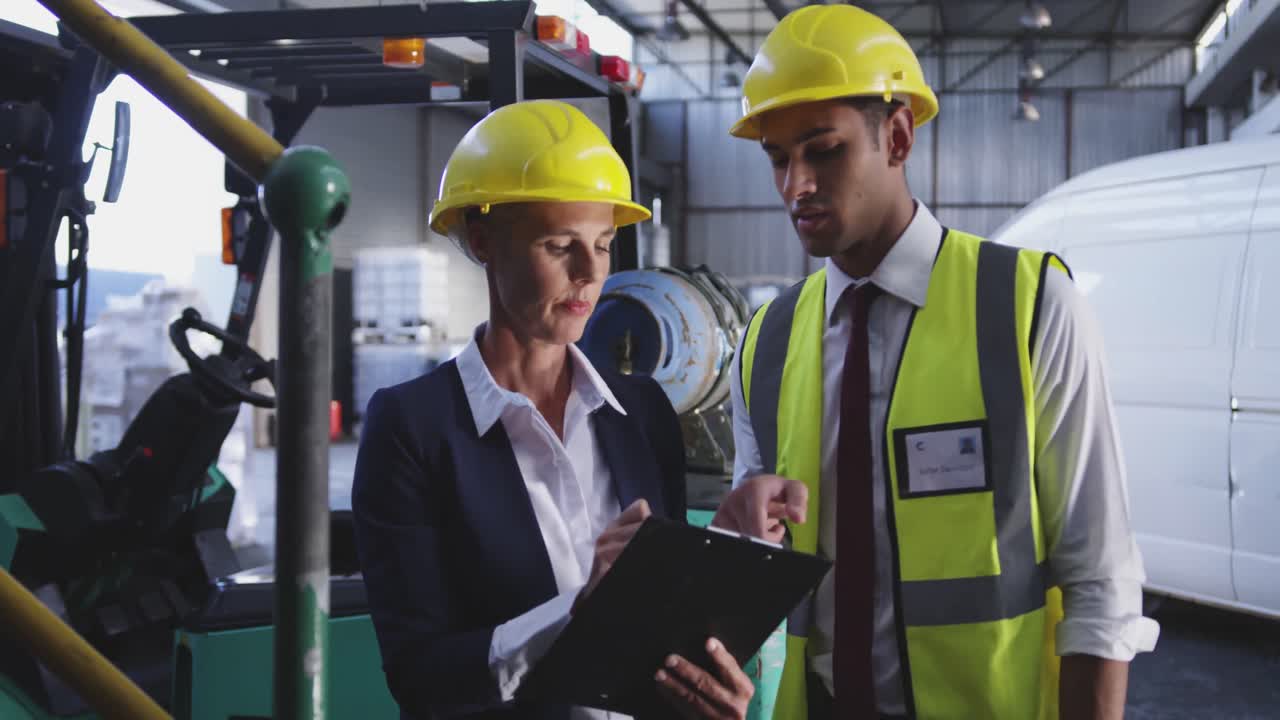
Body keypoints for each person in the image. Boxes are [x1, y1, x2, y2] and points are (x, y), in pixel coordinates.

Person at [710, 6, 1159, 720]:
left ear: (896, 136)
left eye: (823, 150)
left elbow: (1100, 577)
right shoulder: (765, 342)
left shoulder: (1031, 305)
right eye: (778, 157)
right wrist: (731, 542)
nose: (796, 183)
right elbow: (750, 567)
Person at [352, 99, 755, 720]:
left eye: (602, 243)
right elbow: (419, 674)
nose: (591, 272)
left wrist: (727, 552)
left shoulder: (641, 411)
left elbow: (659, 634)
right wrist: (580, 608)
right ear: (484, 241)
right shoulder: (414, 428)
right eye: (559, 244)